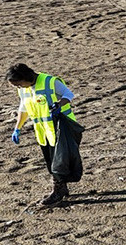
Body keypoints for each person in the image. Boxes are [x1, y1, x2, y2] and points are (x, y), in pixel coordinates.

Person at [7, 63, 81, 207]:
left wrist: (59, 104)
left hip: (62, 126)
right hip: (44, 130)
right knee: (50, 159)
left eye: (19, 84)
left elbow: (69, 94)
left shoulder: (50, 81)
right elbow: (24, 108)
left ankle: (58, 191)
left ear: (26, 77)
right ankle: (62, 187)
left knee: (59, 160)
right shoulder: (24, 89)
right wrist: (18, 128)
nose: (18, 88)